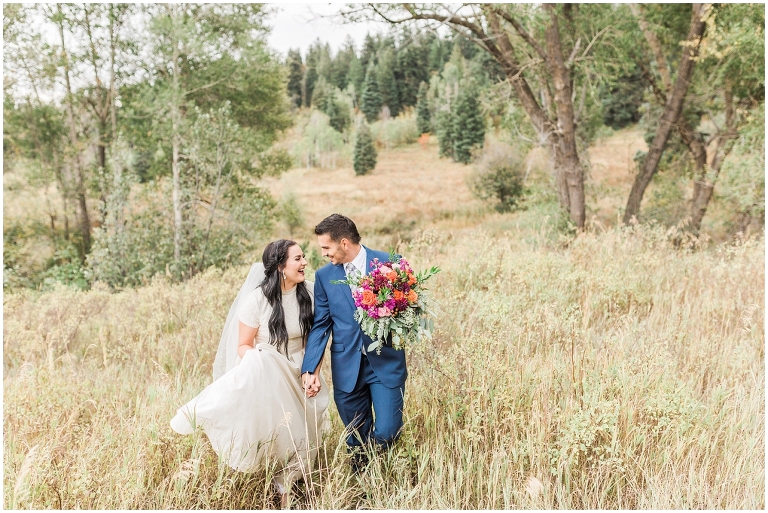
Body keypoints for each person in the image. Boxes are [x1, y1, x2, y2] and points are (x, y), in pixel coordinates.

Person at [170, 240, 329, 508]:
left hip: (303, 369)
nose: (304, 263)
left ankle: (293, 485)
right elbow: (243, 345)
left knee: (306, 433)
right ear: (280, 267)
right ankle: (282, 491)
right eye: (298, 259)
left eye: (303, 257)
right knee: (285, 432)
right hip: (267, 370)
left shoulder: (312, 293)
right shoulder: (256, 300)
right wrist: (262, 362)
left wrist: (312, 371)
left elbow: (318, 339)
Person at [301, 214, 407, 471]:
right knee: (355, 438)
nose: (323, 253)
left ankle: (380, 466)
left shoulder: (390, 263)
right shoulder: (324, 276)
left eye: (326, 247)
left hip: (385, 363)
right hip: (346, 366)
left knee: (388, 430)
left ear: (344, 243)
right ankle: (364, 481)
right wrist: (310, 368)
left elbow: (408, 310)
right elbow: (321, 324)